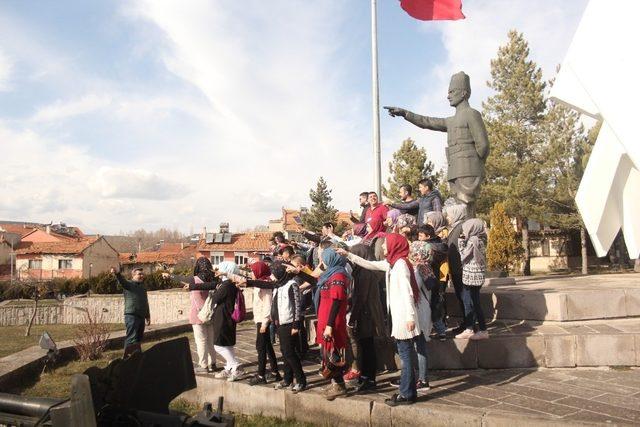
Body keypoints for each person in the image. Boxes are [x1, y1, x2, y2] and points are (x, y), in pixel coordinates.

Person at [338, 234, 428, 406]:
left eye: (386, 245)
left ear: (394, 245)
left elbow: (408, 292)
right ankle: (409, 392)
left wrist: (409, 317)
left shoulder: (400, 265)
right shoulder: (393, 263)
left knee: (406, 357)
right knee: (406, 355)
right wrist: (348, 254)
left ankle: (406, 394)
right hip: (400, 317)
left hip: (404, 318)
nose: (383, 248)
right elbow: (370, 264)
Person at [241, 263, 307, 392]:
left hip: (289, 323)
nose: (272, 276)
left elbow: (297, 306)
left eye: (274, 273)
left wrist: (296, 324)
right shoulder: (278, 285)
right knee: (285, 352)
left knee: (290, 353)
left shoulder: (291, 285)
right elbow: (264, 285)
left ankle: (301, 380)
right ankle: (287, 379)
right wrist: (248, 282)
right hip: (280, 324)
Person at [164, 257, 219, 373]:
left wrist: (169, 275)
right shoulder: (214, 279)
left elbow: (180, 278)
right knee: (210, 340)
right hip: (211, 313)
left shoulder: (194, 280)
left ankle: (203, 365)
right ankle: (213, 363)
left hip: (198, 313)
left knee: (201, 341)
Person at [348, 244, 386, 392]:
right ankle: (366, 376)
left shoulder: (364, 272)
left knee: (367, 347)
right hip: (367, 312)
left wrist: (353, 317)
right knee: (366, 346)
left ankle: (369, 378)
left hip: (366, 314)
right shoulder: (365, 270)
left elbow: (361, 297)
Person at [198, 261, 244, 381]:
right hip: (226, 317)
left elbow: (215, 298)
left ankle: (235, 365)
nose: (217, 272)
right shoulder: (229, 283)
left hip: (223, 318)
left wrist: (215, 291)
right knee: (227, 344)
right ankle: (229, 368)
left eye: (220, 269)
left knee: (218, 345)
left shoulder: (227, 284)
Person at [316, 248, 350, 401]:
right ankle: (335, 383)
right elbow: (315, 282)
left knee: (333, 354)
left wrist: (329, 325)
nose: (322, 262)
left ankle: (340, 386)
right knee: (328, 354)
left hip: (332, 321)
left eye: (324, 259)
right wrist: (299, 272)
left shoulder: (338, 275)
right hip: (326, 319)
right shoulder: (329, 274)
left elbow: (337, 301)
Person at [247, 261, 282, 385]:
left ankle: (261, 375)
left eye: (252, 271)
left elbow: (268, 305)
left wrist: (265, 323)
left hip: (263, 320)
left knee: (261, 347)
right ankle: (275, 372)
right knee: (266, 346)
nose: (251, 273)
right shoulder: (260, 283)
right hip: (259, 319)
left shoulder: (265, 285)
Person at [455, 219, 489, 340]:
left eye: (466, 228)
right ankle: (472, 328)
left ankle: (479, 329)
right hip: (476, 275)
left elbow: (463, 256)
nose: (464, 231)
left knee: (472, 303)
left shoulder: (473, 240)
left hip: (471, 276)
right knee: (472, 302)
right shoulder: (480, 239)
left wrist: (460, 241)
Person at [111, 266, 150, 356]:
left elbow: (145, 302)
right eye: (139, 274)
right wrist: (117, 273)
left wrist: (147, 316)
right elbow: (121, 281)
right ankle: (126, 358)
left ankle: (136, 356)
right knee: (131, 338)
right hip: (132, 316)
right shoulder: (129, 285)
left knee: (139, 338)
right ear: (133, 275)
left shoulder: (143, 288)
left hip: (141, 316)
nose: (141, 276)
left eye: (142, 274)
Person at [443, 201, 469, 335]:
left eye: (449, 215)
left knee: (466, 297)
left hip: (461, 269)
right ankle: (465, 324)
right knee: (461, 297)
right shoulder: (454, 228)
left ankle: (470, 325)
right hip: (456, 268)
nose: (447, 218)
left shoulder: (462, 228)